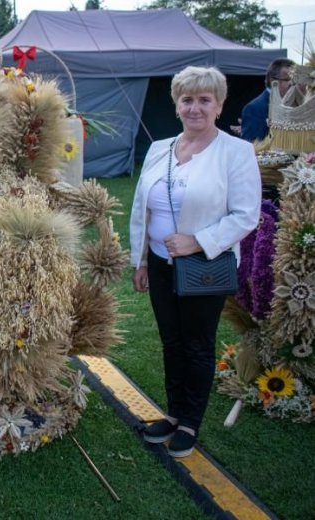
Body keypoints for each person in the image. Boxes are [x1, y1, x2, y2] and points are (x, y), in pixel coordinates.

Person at [130, 66, 260, 458]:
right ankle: (172, 413)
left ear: (219, 105)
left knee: (198, 346)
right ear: (176, 105)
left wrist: (197, 241)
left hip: (204, 264)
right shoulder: (159, 149)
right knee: (171, 342)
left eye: (205, 100)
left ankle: (190, 422)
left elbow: (245, 215)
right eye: (187, 100)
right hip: (158, 262)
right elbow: (142, 209)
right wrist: (140, 260)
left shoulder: (235, 152)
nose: (195, 108)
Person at [240, 58, 296, 143]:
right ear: (273, 80)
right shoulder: (255, 108)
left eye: (294, 80)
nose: (291, 84)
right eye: (287, 79)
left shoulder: (292, 105)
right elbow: (252, 147)